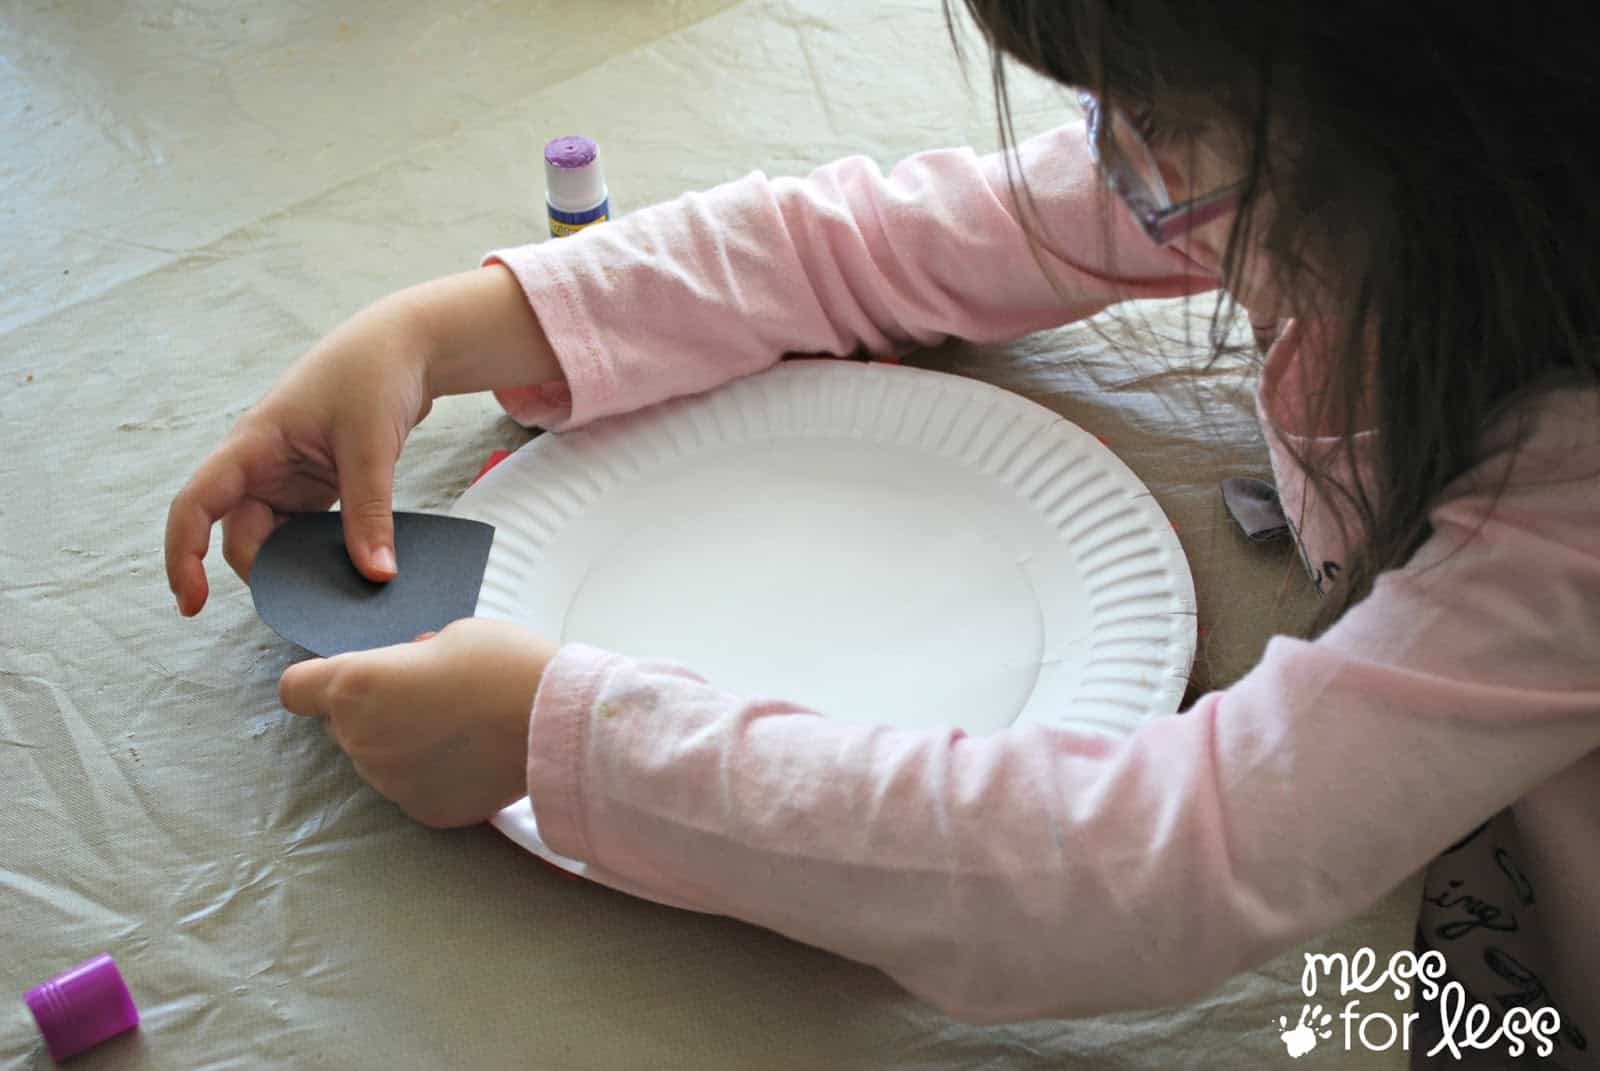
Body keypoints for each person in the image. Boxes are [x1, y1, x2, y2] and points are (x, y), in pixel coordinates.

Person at [164, 2, 1598, 1063]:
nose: (1122, 165)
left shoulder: (1566, 510)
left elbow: (1157, 865)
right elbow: (876, 241)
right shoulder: (1342, 157)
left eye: (1159, 132)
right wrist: (455, 329)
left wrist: (574, 742)